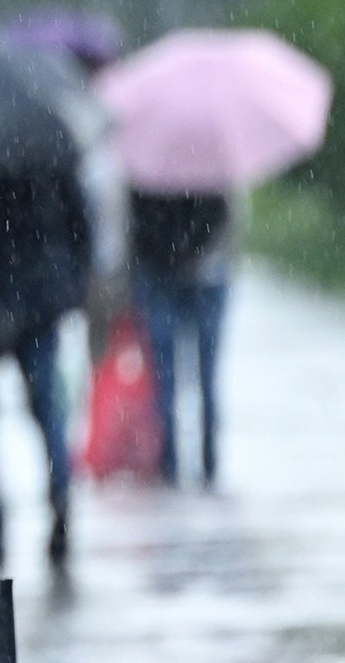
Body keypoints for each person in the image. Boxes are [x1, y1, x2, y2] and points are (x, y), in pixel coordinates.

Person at [0, 168, 92, 573]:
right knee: (47, 408)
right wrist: (70, 287)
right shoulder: (50, 140)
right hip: (41, 295)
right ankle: (60, 497)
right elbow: (81, 228)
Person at [129, 189, 237, 487]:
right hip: (209, 277)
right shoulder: (215, 165)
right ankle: (209, 463)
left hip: (159, 277)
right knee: (207, 378)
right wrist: (199, 250)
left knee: (165, 380)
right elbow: (228, 219)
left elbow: (135, 228)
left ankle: (170, 464)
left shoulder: (148, 168)